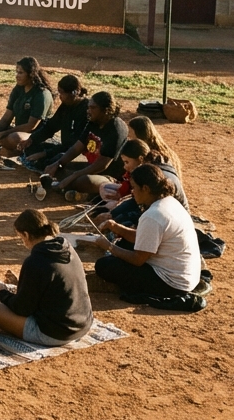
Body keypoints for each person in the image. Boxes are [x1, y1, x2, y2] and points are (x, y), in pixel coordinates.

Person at [94, 164, 203, 302]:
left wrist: (109, 247)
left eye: (134, 188)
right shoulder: (169, 202)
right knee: (125, 245)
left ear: (145, 188)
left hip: (172, 283)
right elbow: (143, 237)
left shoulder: (153, 215)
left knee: (105, 266)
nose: (132, 192)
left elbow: (138, 260)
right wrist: (116, 227)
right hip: (185, 276)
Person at [0, 209, 93, 345]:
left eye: (21, 237)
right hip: (83, 323)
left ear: (26, 235)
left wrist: (2, 294)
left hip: (56, 333)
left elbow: (22, 309)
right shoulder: (66, 247)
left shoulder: (35, 260)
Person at [43, 91, 128, 203]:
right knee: (59, 162)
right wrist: (57, 163)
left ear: (106, 110)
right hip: (91, 166)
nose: (88, 111)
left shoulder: (116, 129)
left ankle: (87, 194)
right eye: (88, 107)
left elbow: (102, 165)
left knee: (84, 180)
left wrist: (74, 175)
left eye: (93, 108)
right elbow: (77, 147)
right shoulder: (94, 122)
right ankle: (75, 190)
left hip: (109, 175)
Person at [0, 57, 54, 154]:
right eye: (16, 72)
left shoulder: (41, 94)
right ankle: (3, 148)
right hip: (16, 130)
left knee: (15, 138)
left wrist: (1, 134)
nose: (17, 76)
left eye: (20, 73)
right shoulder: (18, 89)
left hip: (36, 135)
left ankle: (6, 150)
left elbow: (30, 126)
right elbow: (7, 117)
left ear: (31, 74)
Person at [17, 74, 90, 172]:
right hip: (64, 147)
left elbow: (75, 144)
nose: (60, 97)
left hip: (76, 152)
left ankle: (43, 166)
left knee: (60, 158)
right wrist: (31, 139)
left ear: (74, 93)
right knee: (32, 146)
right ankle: (40, 163)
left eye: (62, 93)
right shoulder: (66, 105)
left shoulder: (86, 110)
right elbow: (50, 127)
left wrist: (45, 153)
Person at [128, 116, 184, 188]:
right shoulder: (164, 149)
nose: (128, 137)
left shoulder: (152, 156)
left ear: (140, 135)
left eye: (130, 133)